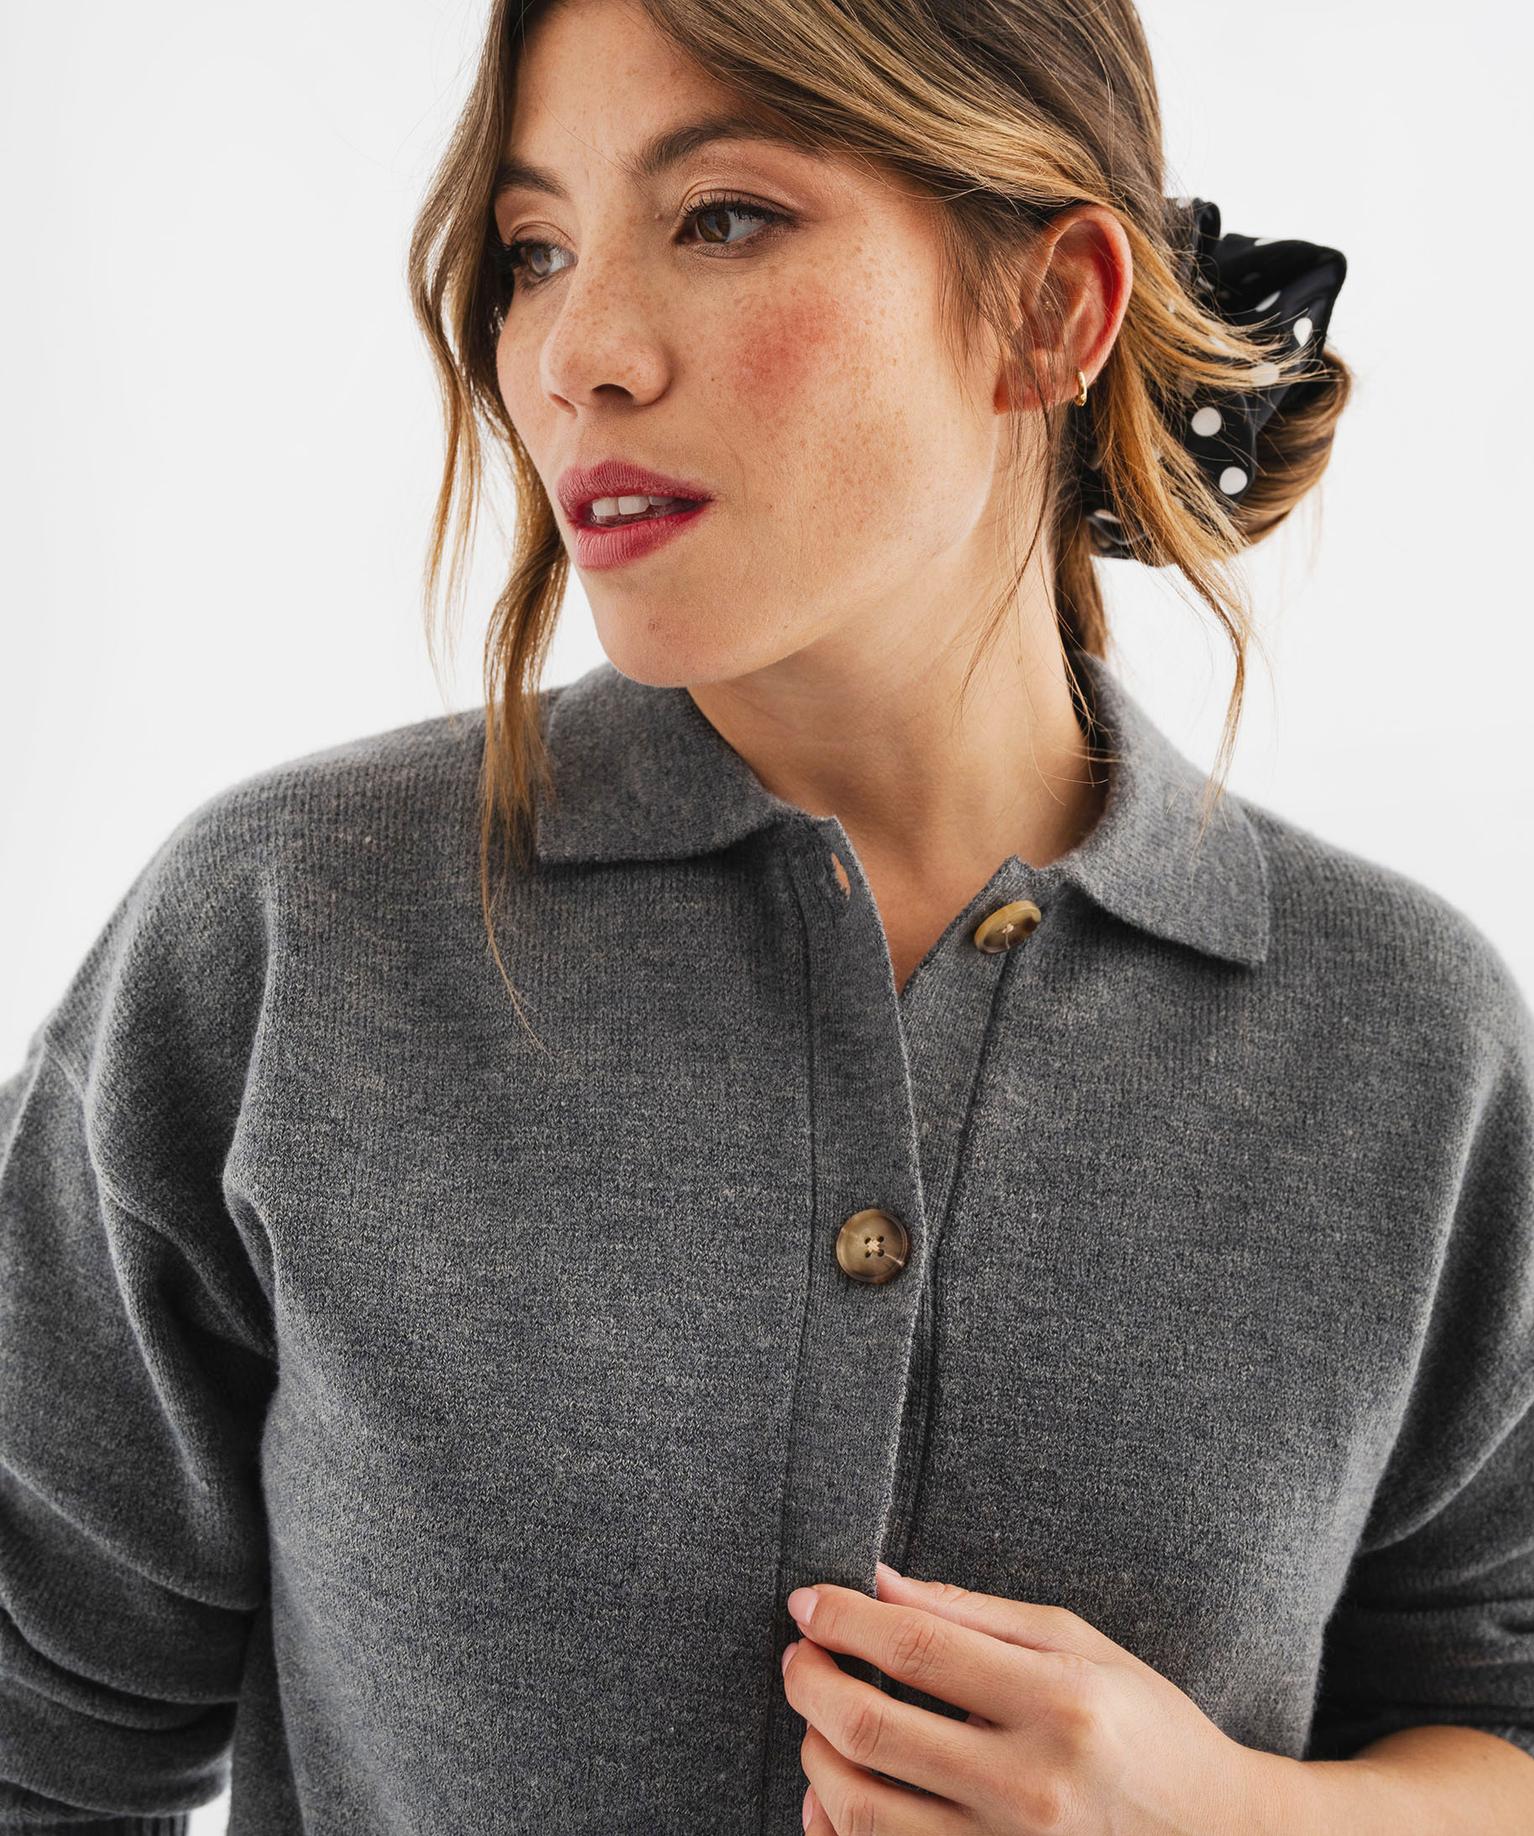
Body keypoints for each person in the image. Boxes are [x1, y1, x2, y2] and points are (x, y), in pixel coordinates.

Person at [2, 0, 1532, 1830]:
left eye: (722, 217)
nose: (577, 354)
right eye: (533, 249)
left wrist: (1230, 1817)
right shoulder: (288, 941)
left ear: (1052, 309)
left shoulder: (1407, 1040)